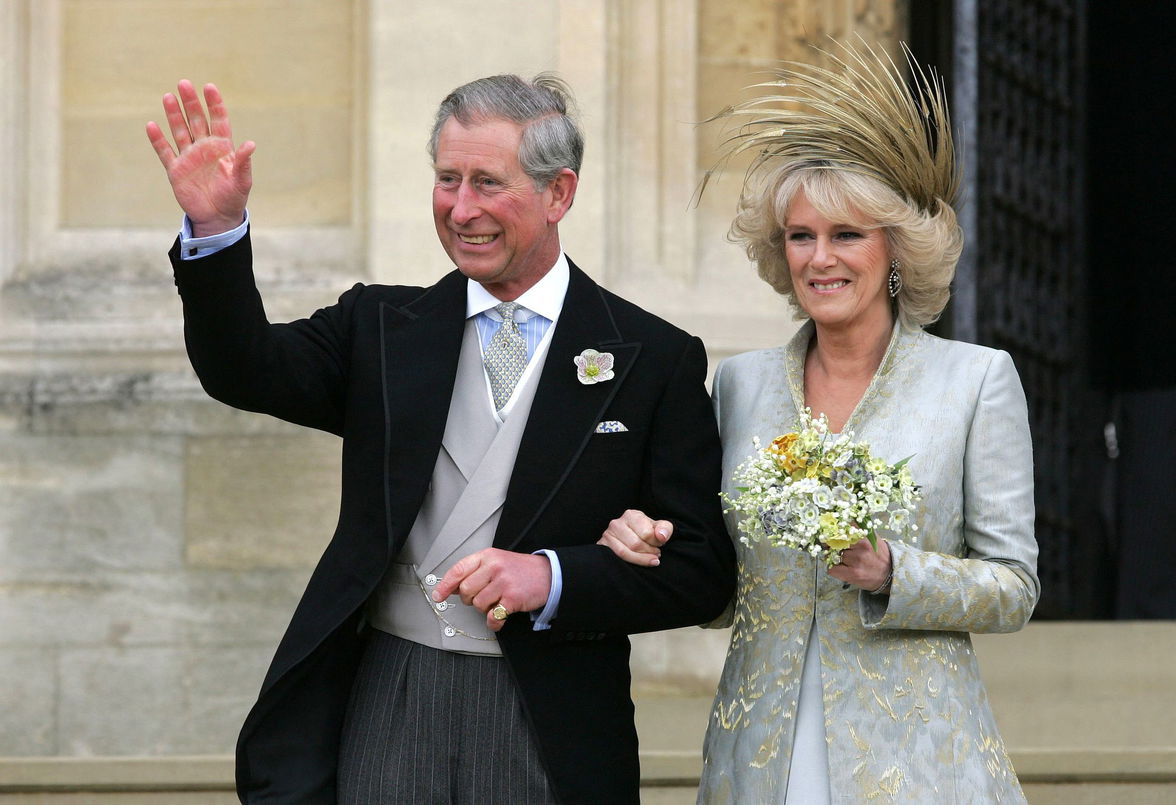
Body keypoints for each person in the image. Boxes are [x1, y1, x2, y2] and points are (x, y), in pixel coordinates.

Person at [146, 74, 735, 803]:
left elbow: (702, 570)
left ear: (559, 194)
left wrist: (552, 577)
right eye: (447, 179)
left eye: (488, 182)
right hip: (390, 694)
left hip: (549, 717)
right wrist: (217, 233)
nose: (462, 209)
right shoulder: (381, 330)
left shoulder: (653, 357)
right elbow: (245, 370)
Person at [600, 44, 1039, 802]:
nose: (820, 258)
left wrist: (894, 571)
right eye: (801, 236)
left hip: (913, 756)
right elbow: (720, 579)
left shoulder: (974, 381)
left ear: (895, 250)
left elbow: (1014, 586)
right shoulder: (740, 384)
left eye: (847, 235)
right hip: (759, 746)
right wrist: (653, 546)